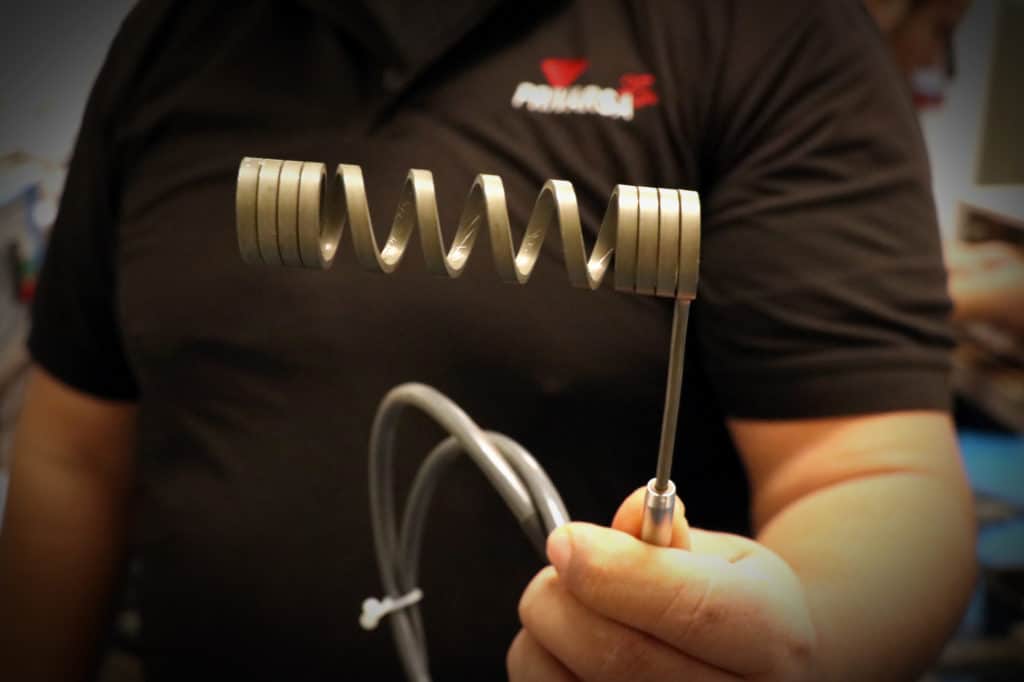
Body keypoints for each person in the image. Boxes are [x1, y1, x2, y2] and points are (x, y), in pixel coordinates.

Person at [0, 1, 976, 680]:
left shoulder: (771, 28)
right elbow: (72, 453)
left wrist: (792, 648)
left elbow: (875, 475)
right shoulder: (174, 32)